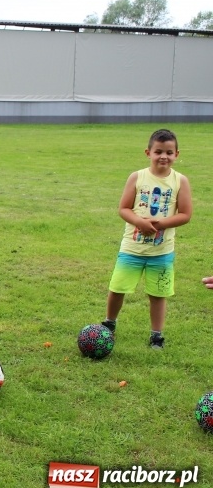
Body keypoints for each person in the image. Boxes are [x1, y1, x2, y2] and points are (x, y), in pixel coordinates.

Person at [98, 129, 192, 350]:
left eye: (169, 152)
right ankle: (109, 324)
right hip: (132, 249)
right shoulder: (137, 177)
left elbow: (185, 214)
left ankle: (156, 336)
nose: (163, 156)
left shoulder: (180, 181)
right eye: (158, 151)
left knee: (158, 294)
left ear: (176, 154)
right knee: (117, 288)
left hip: (162, 252)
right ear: (148, 152)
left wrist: (159, 225)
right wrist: (139, 222)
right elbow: (123, 208)